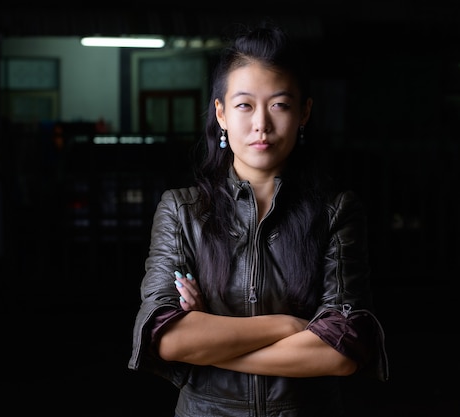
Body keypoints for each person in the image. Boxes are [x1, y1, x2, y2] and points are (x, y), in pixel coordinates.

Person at [128, 22, 389, 417]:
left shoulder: (337, 211)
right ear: (221, 113)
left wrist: (208, 343)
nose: (261, 124)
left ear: (304, 112)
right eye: (245, 105)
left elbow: (342, 350)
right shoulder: (182, 212)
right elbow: (165, 339)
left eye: (280, 104)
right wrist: (286, 325)